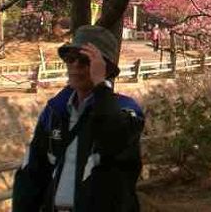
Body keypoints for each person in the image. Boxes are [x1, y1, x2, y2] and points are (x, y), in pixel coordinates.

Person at [13, 25, 145, 212]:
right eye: (70, 58)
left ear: (104, 68)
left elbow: (113, 138)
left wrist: (101, 85)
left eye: (85, 60)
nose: (75, 65)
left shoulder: (126, 110)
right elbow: (32, 172)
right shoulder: (55, 111)